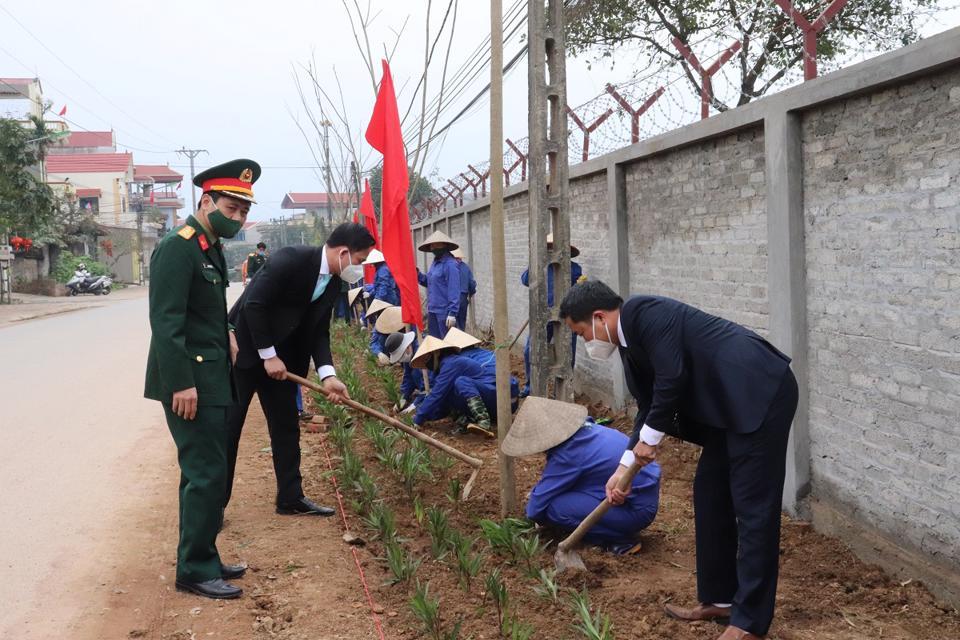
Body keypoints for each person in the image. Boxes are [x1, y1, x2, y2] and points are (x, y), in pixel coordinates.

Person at [559, 280, 798, 640]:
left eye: (580, 332)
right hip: (726, 410)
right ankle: (720, 599)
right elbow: (647, 406)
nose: (584, 341)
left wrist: (651, 441)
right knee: (710, 495)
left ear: (598, 317)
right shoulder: (628, 346)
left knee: (753, 508)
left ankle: (749, 621)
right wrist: (624, 466)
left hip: (758, 393)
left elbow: (673, 376)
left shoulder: (645, 313)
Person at [144, 158, 259, 600]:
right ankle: (193, 569)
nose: (238, 218)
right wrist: (180, 383)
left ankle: (204, 555)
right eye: (231, 208)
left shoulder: (208, 247)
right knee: (206, 472)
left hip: (212, 374)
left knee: (206, 470)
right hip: (190, 380)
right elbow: (166, 321)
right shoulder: (179, 245)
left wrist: (228, 333)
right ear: (205, 200)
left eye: (244, 212)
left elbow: (203, 312)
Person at [225, 222, 375, 518]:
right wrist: (268, 354)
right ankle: (213, 508)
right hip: (244, 355)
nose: (359, 268)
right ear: (344, 252)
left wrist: (328, 375)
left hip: (284, 365)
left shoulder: (333, 282)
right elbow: (253, 305)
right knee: (227, 431)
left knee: (286, 430)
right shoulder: (290, 259)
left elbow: (318, 332)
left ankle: (290, 498)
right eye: (360, 261)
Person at [502, 396, 660, 554]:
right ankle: (615, 526)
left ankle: (619, 540)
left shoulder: (567, 453)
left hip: (636, 510)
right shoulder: (588, 429)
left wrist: (533, 503)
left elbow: (535, 509)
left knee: (554, 508)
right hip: (642, 492)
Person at [407, 335, 518, 437]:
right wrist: (427, 416)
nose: (427, 364)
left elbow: (437, 394)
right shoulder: (445, 367)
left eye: (427, 359)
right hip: (493, 401)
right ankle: (468, 420)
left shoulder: (452, 363)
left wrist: (418, 419)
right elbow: (441, 401)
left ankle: (483, 421)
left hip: (502, 401)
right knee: (450, 392)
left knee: (461, 382)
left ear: (436, 353)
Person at [520, 234, 585, 397]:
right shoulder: (539, 266)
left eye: (555, 247)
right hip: (543, 316)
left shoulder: (574, 269)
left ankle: (562, 390)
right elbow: (525, 280)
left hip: (567, 316)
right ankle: (531, 386)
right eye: (549, 247)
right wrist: (534, 262)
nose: (552, 250)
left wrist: (581, 285)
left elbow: (580, 290)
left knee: (567, 353)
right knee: (531, 350)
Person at [416, 231, 460, 339]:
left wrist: (452, 313)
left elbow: (454, 289)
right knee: (436, 343)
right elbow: (429, 282)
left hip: (444, 312)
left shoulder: (450, 265)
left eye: (435, 245)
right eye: (431, 245)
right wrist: (418, 274)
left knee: (447, 344)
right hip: (432, 310)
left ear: (444, 245)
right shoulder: (435, 263)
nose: (432, 248)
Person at [381, 330, 426, 412]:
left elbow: (429, 383)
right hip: (424, 387)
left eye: (401, 355)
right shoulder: (409, 353)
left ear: (407, 347)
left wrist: (415, 404)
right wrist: (403, 397)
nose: (401, 360)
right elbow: (408, 376)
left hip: (436, 388)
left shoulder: (421, 352)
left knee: (416, 373)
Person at [451, 248, 476, 330]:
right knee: (461, 324)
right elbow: (472, 284)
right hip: (463, 298)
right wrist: (470, 294)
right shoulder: (466, 268)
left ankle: (453, 341)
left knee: (451, 324)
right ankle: (461, 341)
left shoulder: (450, 267)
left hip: (451, 299)